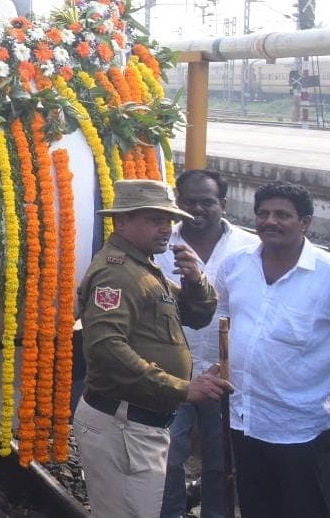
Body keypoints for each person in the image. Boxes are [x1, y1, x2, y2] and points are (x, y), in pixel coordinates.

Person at [74, 179, 230, 518]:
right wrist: (183, 389)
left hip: (138, 424)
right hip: (124, 424)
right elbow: (106, 349)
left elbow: (196, 315)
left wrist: (194, 280)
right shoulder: (117, 274)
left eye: (169, 220)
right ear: (123, 221)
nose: (166, 228)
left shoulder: (142, 265)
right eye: (154, 219)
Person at [209, 181, 330, 518]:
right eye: (262, 214)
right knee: (256, 507)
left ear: (304, 222)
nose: (270, 221)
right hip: (244, 418)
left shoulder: (325, 275)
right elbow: (222, 313)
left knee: (305, 508)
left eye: (282, 215)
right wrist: (219, 364)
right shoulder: (236, 265)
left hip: (303, 429)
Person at [152, 170, 259, 518]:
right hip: (172, 372)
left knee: (222, 461)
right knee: (166, 457)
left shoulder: (249, 247)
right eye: (189, 202)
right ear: (177, 203)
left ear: (223, 204)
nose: (197, 209)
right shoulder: (159, 244)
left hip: (226, 375)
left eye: (207, 202)